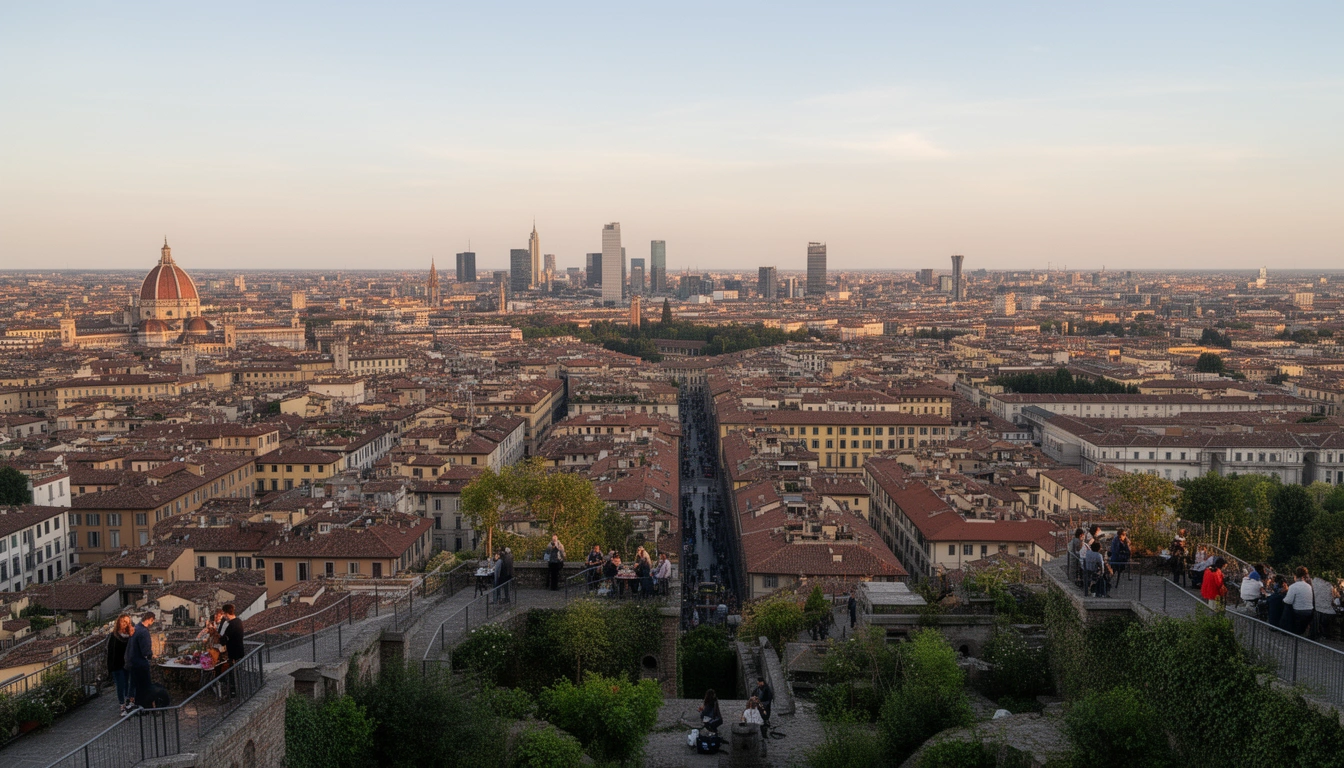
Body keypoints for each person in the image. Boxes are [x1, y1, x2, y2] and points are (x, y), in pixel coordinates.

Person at [124, 611, 156, 714]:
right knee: (146, 684)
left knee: (132, 684)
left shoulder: (136, 628)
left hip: (131, 661)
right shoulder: (144, 632)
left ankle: (130, 704)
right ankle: (149, 707)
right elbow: (145, 651)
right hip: (140, 662)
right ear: (150, 620)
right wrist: (151, 656)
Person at [107, 615, 135, 714]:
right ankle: (122, 705)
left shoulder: (131, 635)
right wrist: (110, 667)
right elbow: (110, 652)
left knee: (127, 683)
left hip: (127, 664)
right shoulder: (114, 636)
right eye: (123, 621)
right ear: (119, 622)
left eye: (127, 622)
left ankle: (128, 703)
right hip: (117, 665)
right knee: (120, 685)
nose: (125, 624)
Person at [1284, 566, 1314, 636]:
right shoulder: (1309, 586)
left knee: (1286, 606)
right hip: (1309, 610)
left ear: (1295, 576)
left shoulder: (1293, 586)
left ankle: (1285, 628)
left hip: (1299, 611)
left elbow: (1288, 601)